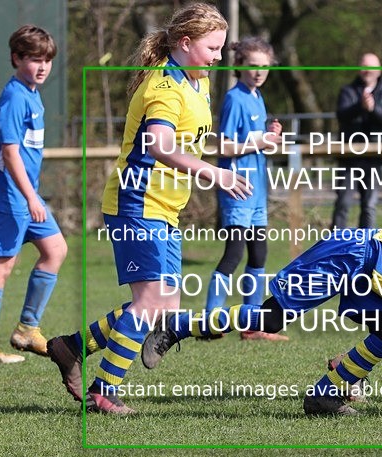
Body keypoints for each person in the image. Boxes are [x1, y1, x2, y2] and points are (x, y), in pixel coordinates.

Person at [45, 3, 250, 415]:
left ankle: (71, 347)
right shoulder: (164, 86)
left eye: (221, 48)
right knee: (151, 303)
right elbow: (159, 145)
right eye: (212, 47)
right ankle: (103, 391)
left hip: (164, 208)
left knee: (163, 308)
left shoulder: (199, 81)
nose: (218, 56)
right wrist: (216, 174)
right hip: (136, 204)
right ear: (185, 43)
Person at [142, 229, 382, 416]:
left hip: (368, 267)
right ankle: (176, 327)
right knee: (270, 319)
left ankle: (324, 396)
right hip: (349, 254)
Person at [0, 25, 67, 364]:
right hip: (9, 196)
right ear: (16, 58)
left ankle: (27, 328)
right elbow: (10, 154)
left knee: (55, 250)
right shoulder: (13, 97)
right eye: (33, 59)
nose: (42, 67)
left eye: (47, 60)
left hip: (25, 196)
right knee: (2, 265)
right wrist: (31, 198)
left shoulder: (31, 93)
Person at [203, 36, 288, 342]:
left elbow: (253, 141)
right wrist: (260, 141)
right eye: (252, 66)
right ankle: (210, 321)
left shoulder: (256, 97)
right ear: (239, 66)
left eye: (264, 67)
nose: (258, 72)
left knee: (259, 254)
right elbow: (223, 146)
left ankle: (253, 325)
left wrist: (269, 135)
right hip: (237, 190)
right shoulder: (234, 98)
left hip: (258, 193)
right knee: (233, 255)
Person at [331, 53, 382, 229]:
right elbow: (341, 115)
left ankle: (366, 246)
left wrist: (373, 109)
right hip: (349, 157)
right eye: (364, 66)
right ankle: (334, 246)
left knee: (369, 205)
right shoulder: (348, 90)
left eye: (371, 67)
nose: (367, 71)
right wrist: (359, 107)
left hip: (374, 158)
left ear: (379, 70)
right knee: (343, 203)